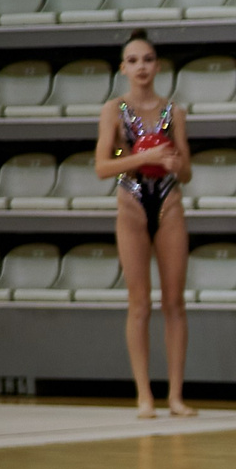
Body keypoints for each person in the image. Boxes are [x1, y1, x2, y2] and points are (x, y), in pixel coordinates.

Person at [90, 31, 191, 419]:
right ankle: (144, 394)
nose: (141, 67)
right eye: (133, 61)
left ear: (158, 65)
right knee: (139, 305)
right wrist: (139, 157)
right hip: (131, 203)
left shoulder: (173, 112)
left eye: (147, 59)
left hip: (168, 201)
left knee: (174, 303)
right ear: (123, 68)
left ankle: (176, 396)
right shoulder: (113, 111)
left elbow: (188, 171)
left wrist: (173, 163)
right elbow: (102, 166)